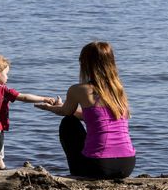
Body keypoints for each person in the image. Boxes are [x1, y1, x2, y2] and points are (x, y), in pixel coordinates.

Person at [35, 41, 136, 179]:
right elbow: (98, 118)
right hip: (127, 165)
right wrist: (65, 107)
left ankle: (76, 173)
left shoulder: (79, 89)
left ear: (86, 64)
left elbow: (65, 112)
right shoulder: (118, 90)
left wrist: (51, 108)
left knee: (68, 122)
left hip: (100, 166)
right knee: (75, 119)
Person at [0, 53, 55, 170]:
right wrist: (44, 98)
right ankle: (2, 179)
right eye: (6, 74)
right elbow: (24, 97)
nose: (7, 77)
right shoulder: (3, 90)